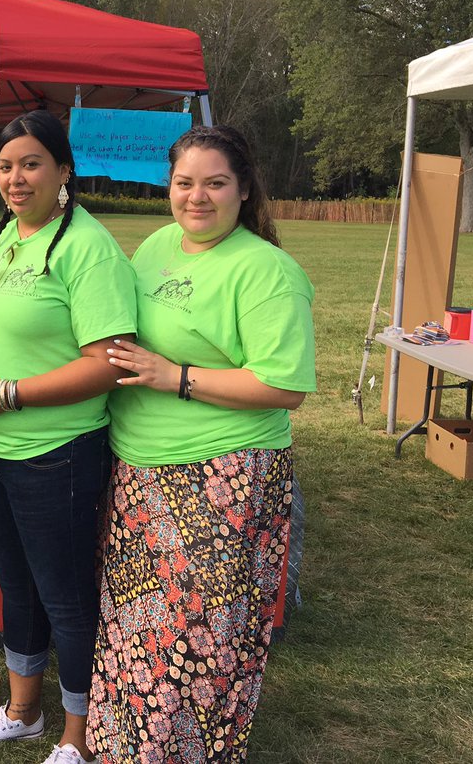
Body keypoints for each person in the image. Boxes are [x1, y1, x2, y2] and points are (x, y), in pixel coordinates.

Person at [86, 125, 316, 763]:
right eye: (184, 183)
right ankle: (125, 750)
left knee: (197, 639)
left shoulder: (267, 272)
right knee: (136, 628)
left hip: (223, 477)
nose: (197, 197)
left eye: (215, 183)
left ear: (244, 189)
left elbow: (283, 386)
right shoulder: (158, 245)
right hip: (140, 473)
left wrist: (175, 377)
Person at [0, 110, 138, 764]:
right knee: (18, 586)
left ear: (63, 172)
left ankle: (79, 737)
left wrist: (11, 393)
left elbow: (110, 361)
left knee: (66, 597)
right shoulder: (3, 236)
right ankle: (23, 711)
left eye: (30, 164)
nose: (15, 179)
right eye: (4, 166)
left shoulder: (87, 246)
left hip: (57, 457)